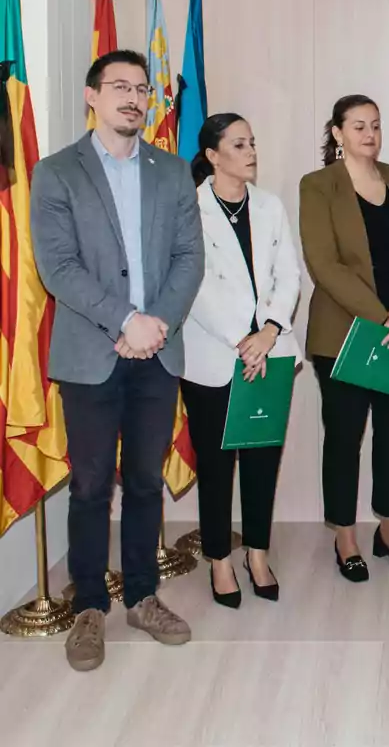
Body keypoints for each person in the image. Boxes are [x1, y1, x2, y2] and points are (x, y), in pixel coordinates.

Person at [30, 50, 204, 671]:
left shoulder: (173, 171)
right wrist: (125, 319)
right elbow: (58, 267)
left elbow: (190, 258)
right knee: (90, 484)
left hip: (157, 352)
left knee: (145, 482)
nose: (133, 97)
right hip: (91, 352)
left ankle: (141, 597)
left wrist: (153, 324)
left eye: (142, 89)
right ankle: (88, 610)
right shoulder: (57, 173)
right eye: (120, 87)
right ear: (92, 96)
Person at [299, 94, 389, 583]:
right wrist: (382, 316)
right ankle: (346, 537)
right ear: (337, 133)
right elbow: (325, 265)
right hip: (344, 336)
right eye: (358, 126)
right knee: (344, 438)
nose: (369, 134)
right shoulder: (318, 186)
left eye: (375, 125)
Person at [182, 113, 302, 607]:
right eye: (239, 144)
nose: (251, 151)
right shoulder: (188, 208)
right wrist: (241, 339)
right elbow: (194, 284)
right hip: (214, 356)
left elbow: (288, 275)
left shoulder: (270, 206)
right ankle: (219, 560)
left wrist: (269, 331)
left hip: (269, 354)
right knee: (216, 465)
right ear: (212, 155)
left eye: (253, 141)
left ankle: (256, 552)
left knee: (261, 461)